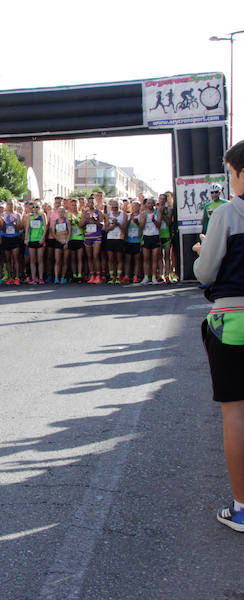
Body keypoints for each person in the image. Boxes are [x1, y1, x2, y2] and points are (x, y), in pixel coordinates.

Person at [192, 139, 244, 532]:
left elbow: (207, 274)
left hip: (235, 319)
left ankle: (242, 507)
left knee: (236, 412)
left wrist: (203, 250)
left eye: (229, 173)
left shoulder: (228, 213)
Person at [139, 197, 162, 285]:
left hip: (155, 236)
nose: (149, 205)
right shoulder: (143, 213)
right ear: (146, 204)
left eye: (151, 203)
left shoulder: (157, 212)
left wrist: (154, 221)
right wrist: (144, 221)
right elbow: (141, 228)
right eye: (148, 203)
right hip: (146, 236)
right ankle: (146, 277)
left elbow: (159, 225)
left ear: (154, 204)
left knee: (155, 258)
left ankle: (153, 277)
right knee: (146, 258)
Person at [103, 198, 126, 283]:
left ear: (119, 206)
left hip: (119, 238)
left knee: (119, 258)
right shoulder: (108, 215)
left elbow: (124, 229)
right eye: (112, 207)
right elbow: (106, 229)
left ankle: (119, 277)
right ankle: (112, 276)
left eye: (116, 207)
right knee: (111, 259)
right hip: (110, 238)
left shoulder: (123, 215)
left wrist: (118, 224)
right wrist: (112, 226)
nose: (114, 209)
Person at [124, 200, 143, 283]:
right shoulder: (128, 216)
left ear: (139, 207)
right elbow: (124, 227)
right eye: (133, 206)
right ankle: (126, 276)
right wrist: (129, 220)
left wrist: (137, 223)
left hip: (137, 240)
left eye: (136, 206)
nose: (134, 208)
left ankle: (136, 276)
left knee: (137, 259)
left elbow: (143, 227)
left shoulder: (141, 216)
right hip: (128, 240)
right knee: (128, 259)